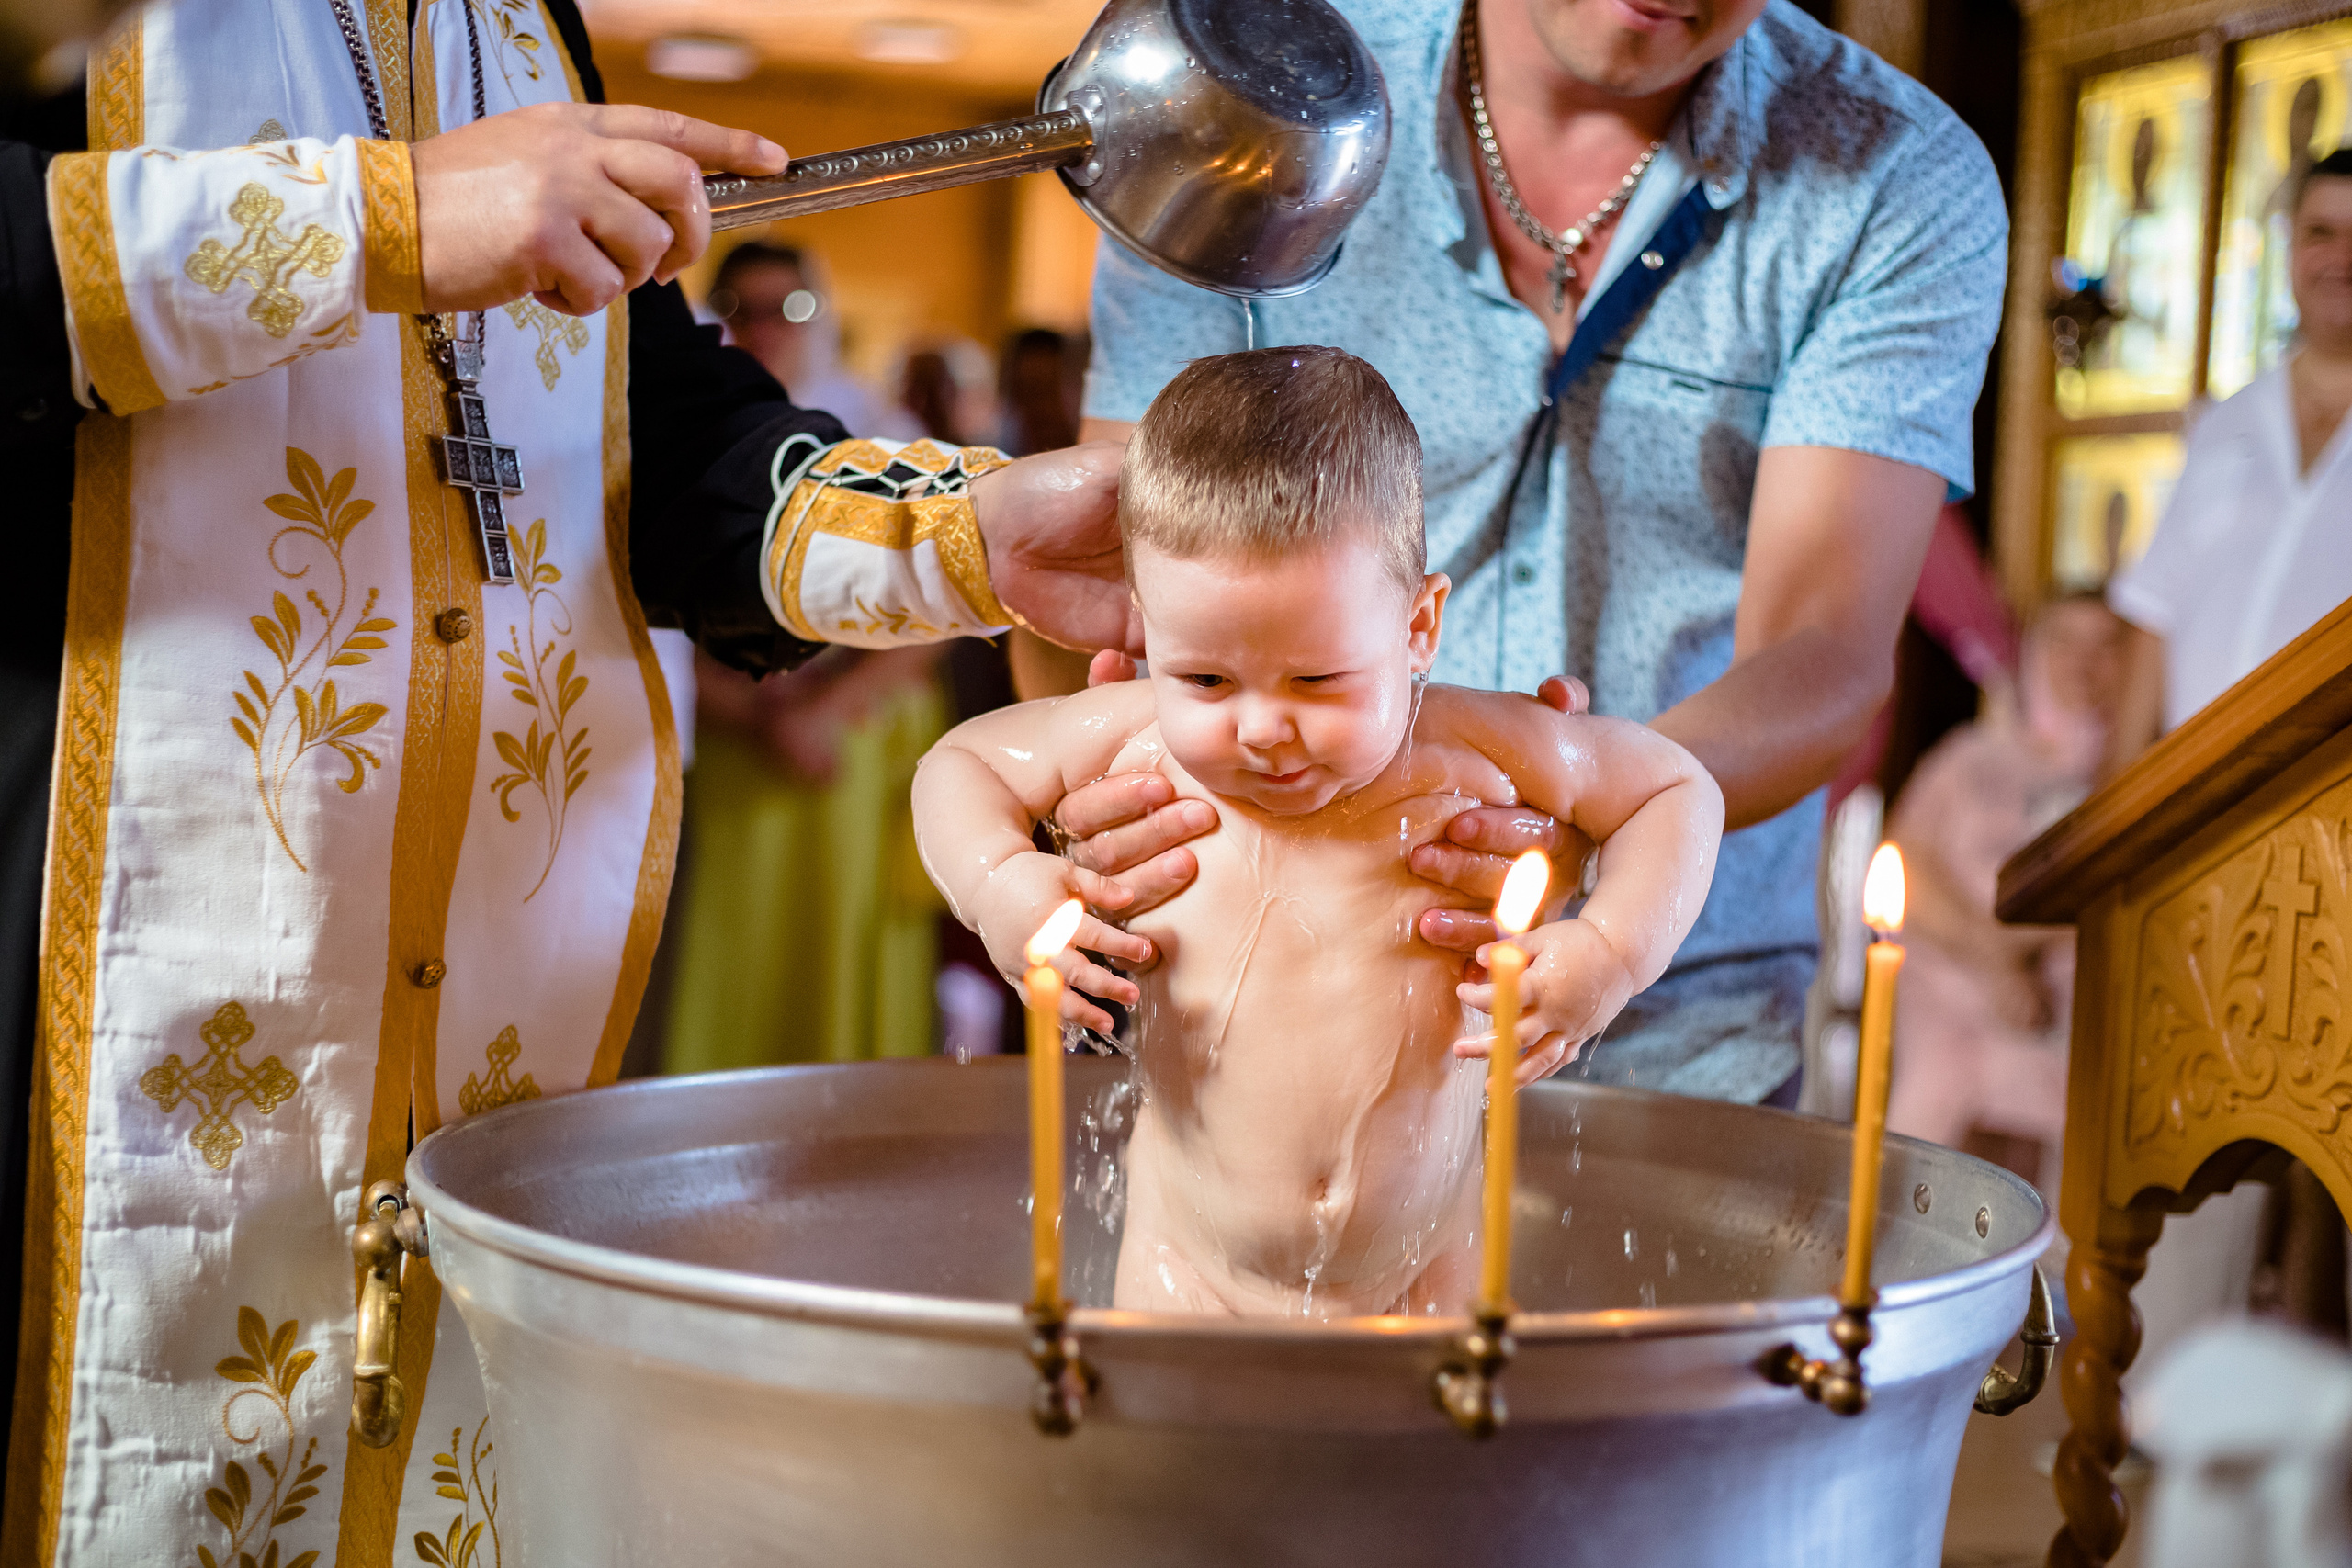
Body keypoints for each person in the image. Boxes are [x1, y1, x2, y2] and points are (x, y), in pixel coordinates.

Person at [0, 6, 1139, 1558]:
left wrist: (963, 532)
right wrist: (382, 218)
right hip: (80, 958)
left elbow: (636, 412)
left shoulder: (520, 24)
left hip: (476, 1013)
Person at [1072, 0, 2008, 1106]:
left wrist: (1599, 822)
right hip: (1254, 982)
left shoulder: (1894, 172)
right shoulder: (1253, 85)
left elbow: (1822, 651)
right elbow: (1114, 558)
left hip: (1670, 1019)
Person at [914, 348, 1720, 1316]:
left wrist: (1610, 950)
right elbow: (956, 767)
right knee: (1161, 1419)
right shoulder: (1135, 744)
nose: (1261, 727)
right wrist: (1002, 880)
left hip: (1427, 1263)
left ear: (1418, 628)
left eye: (1316, 679)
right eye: (1205, 678)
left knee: (1450, 1415)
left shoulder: (1474, 750)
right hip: (1186, 1266)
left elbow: (1674, 789)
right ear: (1143, 631)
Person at [2109, 148, 2352, 758]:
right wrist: (2116, 787)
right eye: (2321, 233)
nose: (2342, 258)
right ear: (2290, 249)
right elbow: (2155, 609)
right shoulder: (2225, 422)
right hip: (2200, 781)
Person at [1884, 594, 2126, 1174]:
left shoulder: (2126, 781)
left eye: (2105, 646)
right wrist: (1996, 962)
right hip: (1948, 1012)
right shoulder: (1969, 757)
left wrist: (2025, 970)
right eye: (2064, 640)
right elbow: (1904, 868)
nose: (2082, 662)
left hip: (2067, 1035)